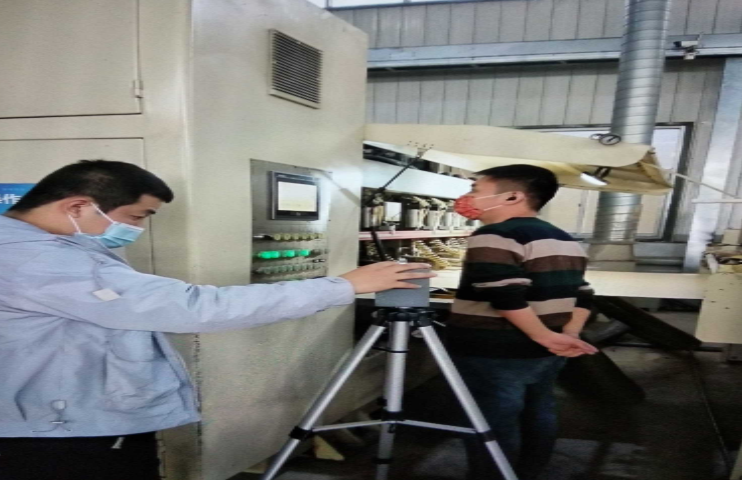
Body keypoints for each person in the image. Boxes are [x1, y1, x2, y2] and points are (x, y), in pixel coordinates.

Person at [0, 160, 434, 480]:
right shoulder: (35, 259)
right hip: (58, 431)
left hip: (68, 415)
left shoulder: (59, 249)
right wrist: (343, 286)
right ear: (78, 206)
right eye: (135, 217)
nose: (137, 230)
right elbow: (196, 307)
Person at [448, 164, 598, 480]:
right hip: (548, 351)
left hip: (493, 351)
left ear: (513, 196)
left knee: (490, 421)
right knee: (538, 411)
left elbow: (504, 295)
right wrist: (566, 335)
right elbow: (583, 293)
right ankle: (527, 473)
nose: (467, 197)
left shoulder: (494, 235)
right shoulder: (563, 238)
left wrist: (544, 336)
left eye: (476, 190)